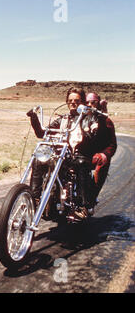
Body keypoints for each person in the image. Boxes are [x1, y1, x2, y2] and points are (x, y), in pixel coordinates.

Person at [26, 87, 105, 219]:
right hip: (62, 155)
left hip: (80, 155)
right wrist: (34, 118)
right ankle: (35, 199)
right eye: (70, 100)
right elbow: (42, 132)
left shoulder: (89, 118)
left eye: (77, 100)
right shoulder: (62, 120)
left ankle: (82, 206)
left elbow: (96, 136)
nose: (73, 103)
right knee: (39, 159)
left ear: (83, 102)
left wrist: (89, 130)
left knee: (80, 163)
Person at [85, 92, 117, 200]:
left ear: (98, 104)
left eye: (93, 102)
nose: (89, 104)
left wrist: (105, 154)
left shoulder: (106, 121)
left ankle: (91, 197)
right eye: (87, 102)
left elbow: (112, 145)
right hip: (81, 155)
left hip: (96, 156)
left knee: (102, 161)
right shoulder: (80, 118)